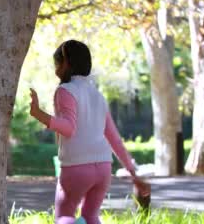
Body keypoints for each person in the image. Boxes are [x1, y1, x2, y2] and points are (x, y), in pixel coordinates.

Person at [29, 40, 150, 224]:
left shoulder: (65, 90)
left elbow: (69, 128)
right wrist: (134, 174)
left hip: (76, 167)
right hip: (103, 168)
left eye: (57, 64)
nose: (55, 71)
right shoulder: (97, 95)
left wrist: (39, 114)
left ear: (67, 63)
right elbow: (114, 139)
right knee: (90, 217)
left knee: (64, 216)